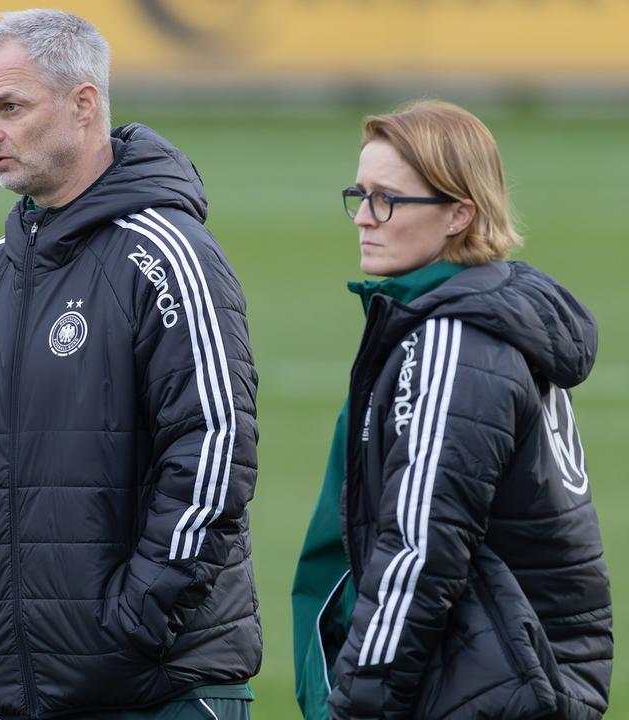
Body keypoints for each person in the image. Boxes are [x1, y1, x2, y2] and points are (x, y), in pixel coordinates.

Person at [0, 10, 260, 720]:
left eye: (10, 107)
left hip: (156, 690)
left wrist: (135, 620)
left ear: (85, 105)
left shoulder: (170, 254)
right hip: (24, 690)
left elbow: (215, 450)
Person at [291, 100, 612, 719]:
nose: (362, 218)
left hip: (486, 687)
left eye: (386, 199)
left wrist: (354, 709)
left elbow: (419, 554)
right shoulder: (488, 321)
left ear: (459, 214)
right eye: (358, 194)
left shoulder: (454, 341)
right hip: (513, 678)